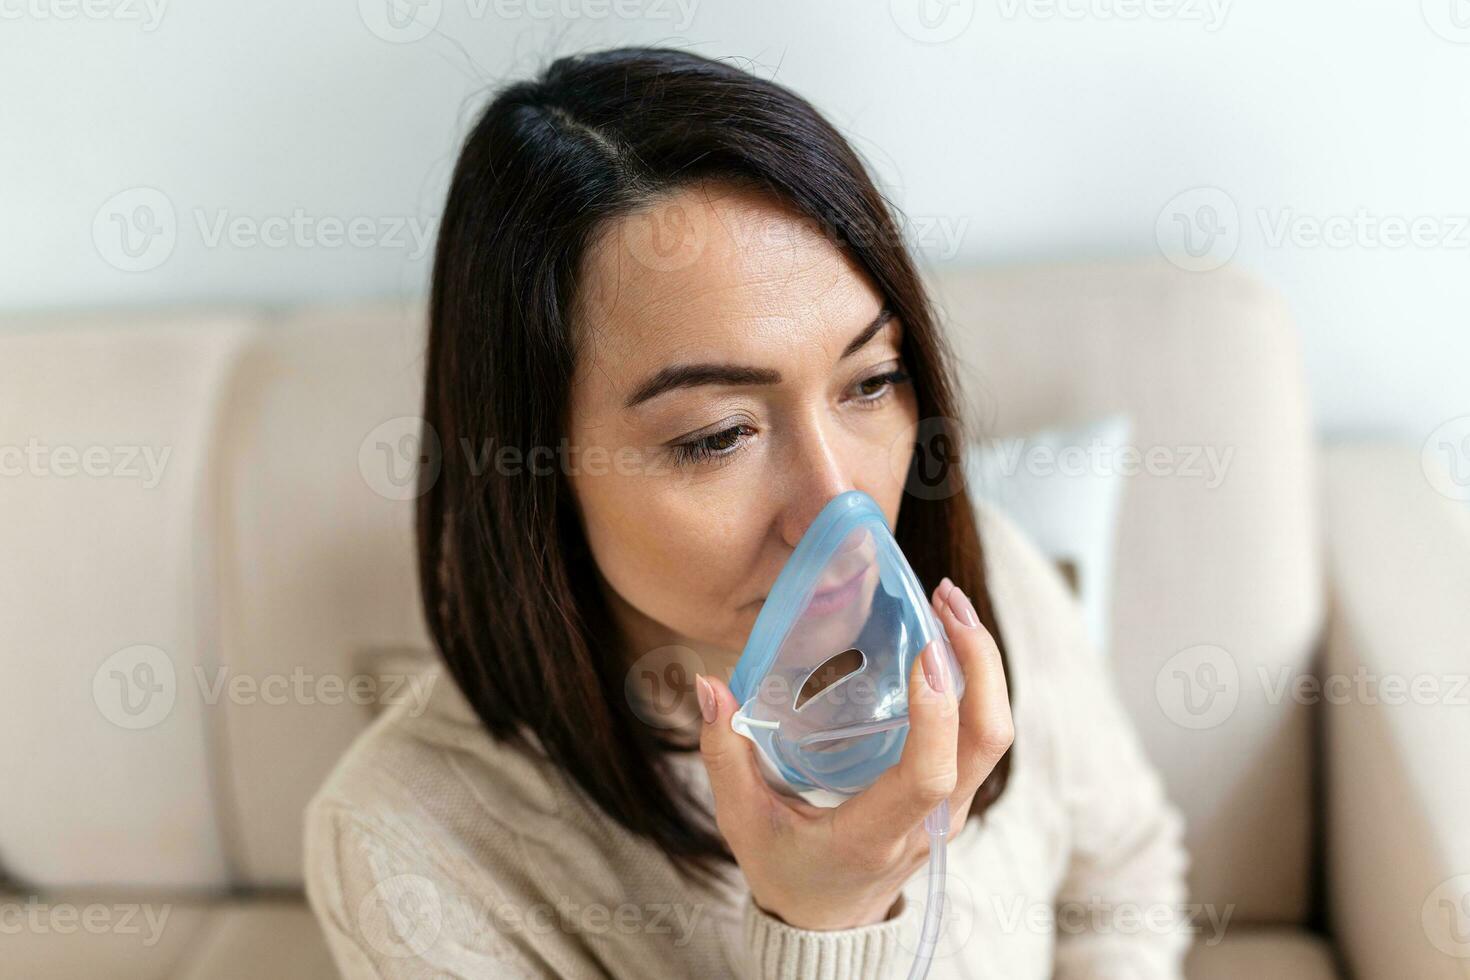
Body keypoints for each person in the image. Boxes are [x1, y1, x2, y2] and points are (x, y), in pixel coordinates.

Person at [305, 46, 1189, 979]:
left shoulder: (989, 580)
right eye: (718, 436)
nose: (840, 504)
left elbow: (1124, 880)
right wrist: (825, 923)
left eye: (872, 381)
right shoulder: (408, 849)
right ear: (532, 468)